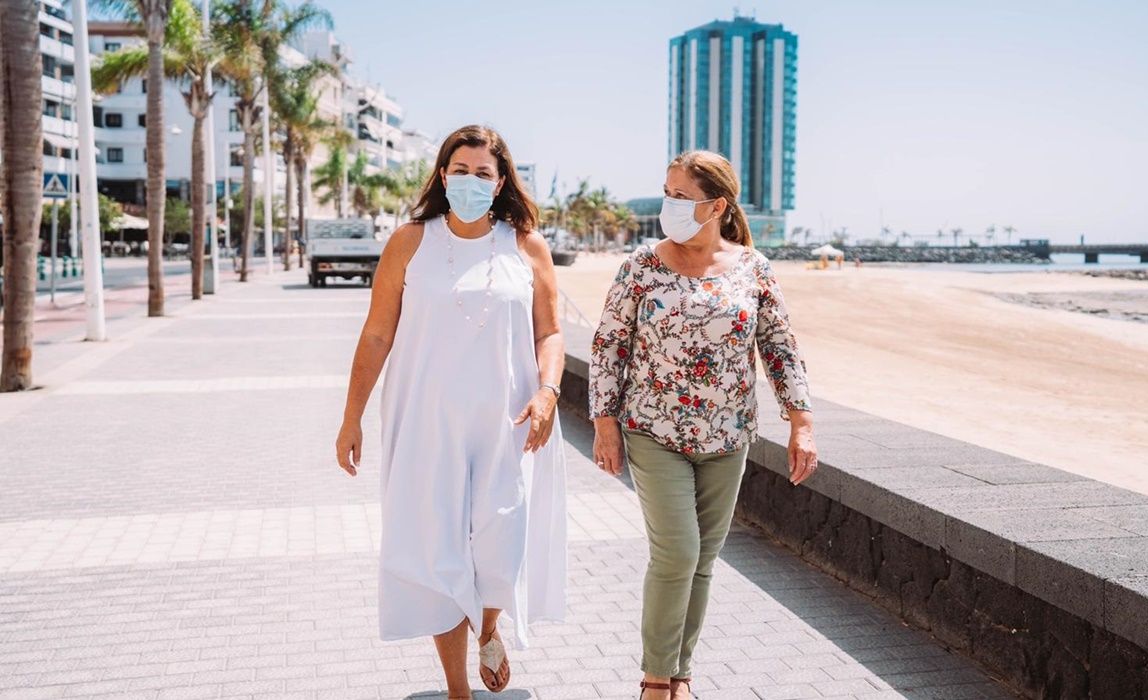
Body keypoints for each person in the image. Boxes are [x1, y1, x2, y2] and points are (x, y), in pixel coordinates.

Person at [335, 125, 567, 698]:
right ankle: (456, 689)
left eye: (482, 173)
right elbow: (375, 335)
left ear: (501, 181)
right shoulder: (409, 242)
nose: (469, 181)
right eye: (459, 171)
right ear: (442, 176)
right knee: (437, 554)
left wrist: (548, 392)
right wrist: (351, 417)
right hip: (424, 424)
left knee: (498, 543)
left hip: (507, 427)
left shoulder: (527, 246)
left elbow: (552, 332)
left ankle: (488, 627)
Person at [589, 150, 817, 700]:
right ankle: (654, 681)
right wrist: (605, 424)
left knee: (703, 561)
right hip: (654, 430)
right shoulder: (642, 266)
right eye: (665, 192)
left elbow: (779, 347)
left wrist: (801, 422)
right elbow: (608, 345)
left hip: (728, 435)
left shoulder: (752, 268)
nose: (668, 205)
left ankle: (680, 674)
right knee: (677, 553)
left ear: (716, 205)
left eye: (680, 196)